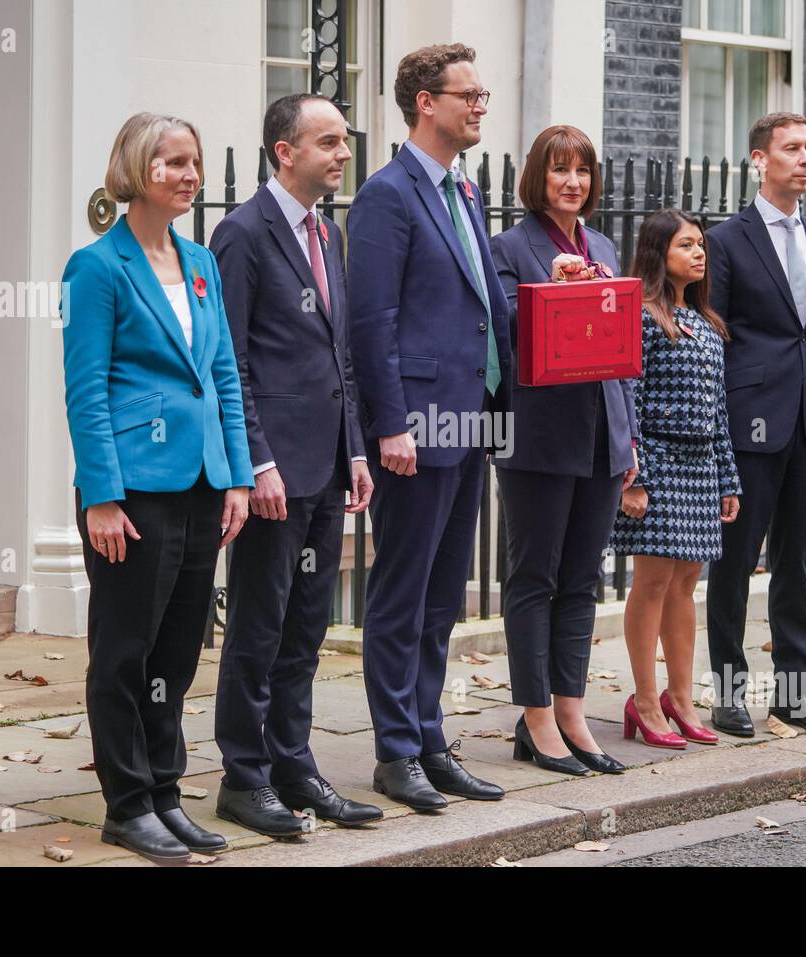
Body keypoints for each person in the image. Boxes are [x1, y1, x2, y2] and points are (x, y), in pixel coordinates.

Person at [61, 112, 253, 864]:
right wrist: (100, 494)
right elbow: (85, 389)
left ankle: (166, 792)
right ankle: (127, 801)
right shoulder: (96, 267)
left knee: (177, 650)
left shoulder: (201, 261)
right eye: (173, 162)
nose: (188, 174)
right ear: (138, 169)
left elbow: (225, 377)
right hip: (133, 490)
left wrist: (236, 474)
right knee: (124, 649)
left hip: (203, 481)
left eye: (194, 162)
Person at [209, 93, 381, 836]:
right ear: (285, 150)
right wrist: (258, 460)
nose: (343, 154)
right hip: (275, 473)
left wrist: (355, 449)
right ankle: (243, 777)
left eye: (343, 142)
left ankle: (294, 765)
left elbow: (337, 354)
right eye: (329, 142)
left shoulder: (328, 231)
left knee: (307, 627)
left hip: (326, 467)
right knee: (258, 624)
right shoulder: (241, 233)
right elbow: (232, 358)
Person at [347, 43, 513, 811]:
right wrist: (389, 425)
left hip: (468, 419)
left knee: (445, 594)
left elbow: (481, 305)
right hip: (415, 426)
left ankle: (430, 735)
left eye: (482, 94)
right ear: (425, 102)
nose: (480, 104)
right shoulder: (388, 193)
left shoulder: (465, 192)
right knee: (402, 593)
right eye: (468, 95)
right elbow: (371, 320)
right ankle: (396, 751)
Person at [704, 112, 806, 737]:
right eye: (792, 149)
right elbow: (713, 335)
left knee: (798, 563)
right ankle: (728, 694)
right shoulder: (726, 240)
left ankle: (797, 696)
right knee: (735, 562)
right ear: (758, 160)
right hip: (749, 426)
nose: (805, 160)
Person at [489, 125, 636, 776]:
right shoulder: (509, 248)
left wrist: (628, 436)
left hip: (603, 436)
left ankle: (572, 709)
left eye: (582, 170)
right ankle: (537, 717)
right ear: (537, 178)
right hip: (539, 438)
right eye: (559, 170)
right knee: (534, 577)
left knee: (583, 581)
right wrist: (550, 286)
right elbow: (498, 342)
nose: (572, 181)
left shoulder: (603, 244)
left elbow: (618, 352)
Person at [611, 210, 740, 749]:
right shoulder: (641, 316)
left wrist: (727, 479)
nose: (699, 253)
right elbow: (628, 398)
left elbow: (720, 410)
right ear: (658, 251)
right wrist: (632, 475)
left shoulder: (709, 323)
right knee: (654, 581)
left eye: (701, 245)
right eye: (686, 245)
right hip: (658, 464)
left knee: (687, 582)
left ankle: (681, 697)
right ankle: (643, 700)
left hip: (701, 467)